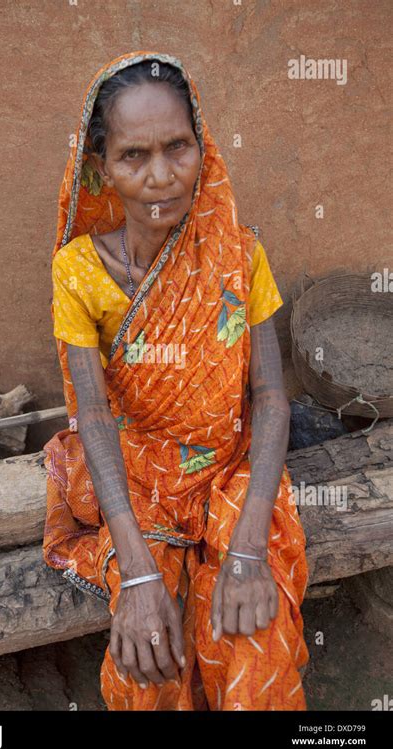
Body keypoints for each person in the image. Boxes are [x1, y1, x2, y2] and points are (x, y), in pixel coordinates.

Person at [42, 50, 310, 711]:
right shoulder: (79, 272)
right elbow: (95, 419)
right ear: (102, 168)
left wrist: (248, 549)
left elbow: (272, 400)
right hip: (138, 480)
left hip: (229, 473)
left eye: (178, 148)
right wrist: (134, 573)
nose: (161, 176)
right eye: (134, 156)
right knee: (147, 658)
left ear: (203, 148)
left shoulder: (239, 257)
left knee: (256, 635)